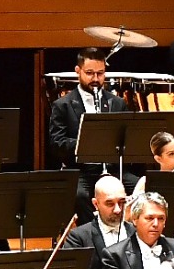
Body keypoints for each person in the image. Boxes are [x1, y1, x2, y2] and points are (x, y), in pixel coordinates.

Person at [48, 45, 133, 214]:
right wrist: (86, 143)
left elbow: (129, 138)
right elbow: (57, 143)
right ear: (77, 71)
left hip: (113, 170)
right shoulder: (62, 105)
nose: (95, 78)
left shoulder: (117, 103)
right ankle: (95, 235)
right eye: (89, 73)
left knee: (145, 187)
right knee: (78, 196)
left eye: (100, 73)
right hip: (81, 171)